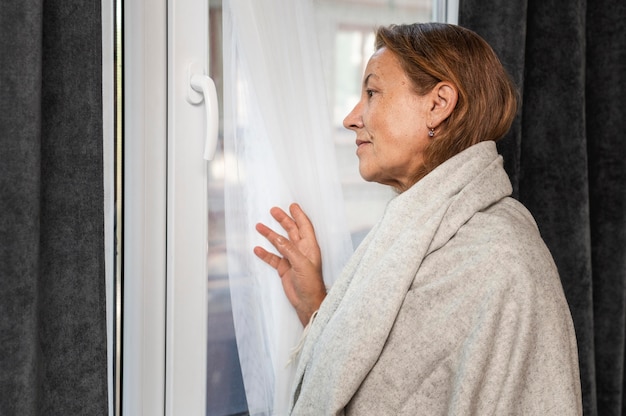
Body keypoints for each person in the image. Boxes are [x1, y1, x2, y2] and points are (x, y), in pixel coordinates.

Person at [254, 23, 582, 415]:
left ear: (438, 104)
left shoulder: (503, 261)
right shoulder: (414, 235)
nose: (351, 118)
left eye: (372, 93)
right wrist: (317, 307)